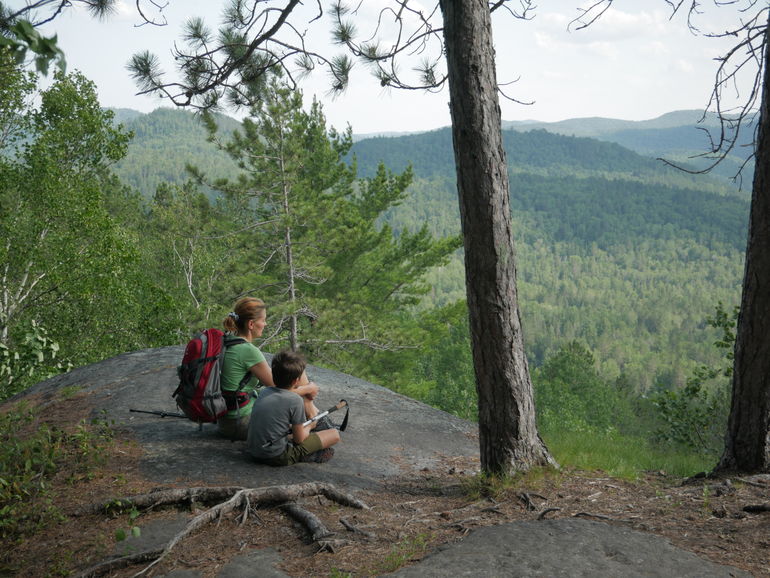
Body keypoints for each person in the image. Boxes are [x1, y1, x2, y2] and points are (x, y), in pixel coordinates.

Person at [218, 297, 319, 440]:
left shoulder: (227, 341)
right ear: (251, 324)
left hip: (226, 420)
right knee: (297, 370)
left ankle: (312, 415)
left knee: (296, 369)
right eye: (263, 320)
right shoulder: (248, 351)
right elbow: (282, 390)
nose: (265, 324)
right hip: (241, 422)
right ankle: (313, 417)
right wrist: (309, 388)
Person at [247, 349, 341, 466]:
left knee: (294, 430)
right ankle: (306, 455)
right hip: (276, 456)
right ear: (296, 381)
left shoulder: (264, 392)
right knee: (334, 435)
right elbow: (299, 439)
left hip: (253, 450)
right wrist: (310, 426)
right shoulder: (295, 400)